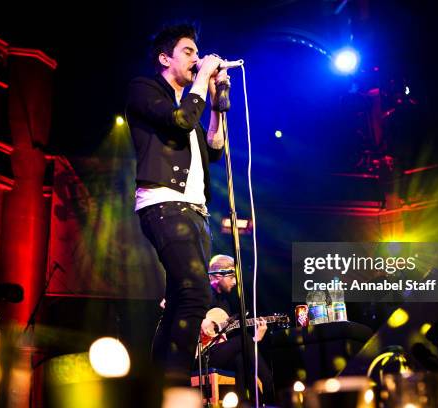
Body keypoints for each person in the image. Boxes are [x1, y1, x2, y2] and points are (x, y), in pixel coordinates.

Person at [125, 23, 229, 386]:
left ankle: (156, 385)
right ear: (164, 58)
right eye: (188, 52)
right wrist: (201, 82)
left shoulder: (193, 103)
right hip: (164, 203)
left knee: (179, 298)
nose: (197, 58)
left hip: (194, 211)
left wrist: (215, 103)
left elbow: (214, 149)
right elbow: (180, 121)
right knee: (196, 294)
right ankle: (174, 386)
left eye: (197, 53)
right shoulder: (145, 89)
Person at [200, 254, 276, 404]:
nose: (235, 282)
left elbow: (223, 339)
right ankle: (269, 388)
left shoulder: (225, 303)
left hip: (216, 352)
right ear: (216, 275)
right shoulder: (202, 295)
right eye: (231, 277)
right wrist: (201, 323)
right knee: (245, 339)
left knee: (240, 359)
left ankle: (249, 403)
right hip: (201, 355)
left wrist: (257, 339)